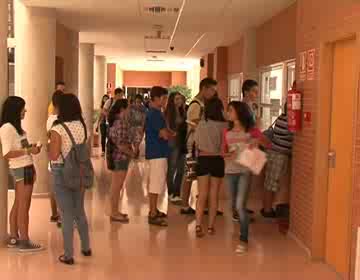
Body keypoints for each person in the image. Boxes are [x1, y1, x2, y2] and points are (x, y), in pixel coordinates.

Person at [48, 94, 91, 265]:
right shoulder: (81, 125)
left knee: (66, 214)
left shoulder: (57, 129)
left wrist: (47, 146)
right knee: (79, 210)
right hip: (79, 171)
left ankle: (68, 255)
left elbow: (54, 154)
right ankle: (86, 247)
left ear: (62, 108)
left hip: (61, 172)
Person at [0, 96, 43, 252]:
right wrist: (27, 150)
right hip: (22, 169)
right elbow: (7, 153)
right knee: (24, 206)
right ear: (15, 110)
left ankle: (14, 236)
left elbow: (24, 148)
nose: (25, 110)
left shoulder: (17, 128)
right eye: (23, 108)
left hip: (27, 167)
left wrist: (33, 149)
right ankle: (24, 240)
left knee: (19, 203)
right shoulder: (7, 128)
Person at [180, 77, 217, 215]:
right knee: (189, 174)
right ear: (204, 89)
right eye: (212, 90)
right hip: (194, 144)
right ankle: (184, 205)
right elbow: (195, 125)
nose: (213, 93)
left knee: (193, 173)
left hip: (198, 144)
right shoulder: (196, 105)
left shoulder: (202, 103)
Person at [223, 101, 256, 254]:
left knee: (240, 206)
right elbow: (223, 151)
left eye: (230, 110)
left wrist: (244, 153)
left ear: (239, 112)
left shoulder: (250, 132)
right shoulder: (227, 132)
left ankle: (243, 239)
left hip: (244, 171)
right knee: (232, 206)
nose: (227, 112)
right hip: (230, 171)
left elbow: (255, 154)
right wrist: (226, 155)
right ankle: (241, 230)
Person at [194, 97, 227, 237]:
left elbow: (197, 145)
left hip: (203, 160)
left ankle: (198, 225)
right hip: (218, 161)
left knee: (202, 195)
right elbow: (223, 149)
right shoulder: (224, 126)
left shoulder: (200, 124)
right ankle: (210, 227)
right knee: (214, 196)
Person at [145, 86, 174, 227]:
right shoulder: (154, 114)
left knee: (156, 183)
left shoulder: (156, 113)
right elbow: (163, 133)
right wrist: (169, 135)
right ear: (156, 98)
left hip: (158, 152)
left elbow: (164, 131)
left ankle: (154, 209)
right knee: (156, 184)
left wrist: (168, 133)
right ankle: (152, 214)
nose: (166, 100)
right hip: (158, 153)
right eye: (163, 98)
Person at [262, 102, 293, 218]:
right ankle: (267, 210)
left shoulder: (281, 118)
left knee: (269, 182)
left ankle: (266, 207)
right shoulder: (289, 121)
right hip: (278, 155)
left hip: (272, 152)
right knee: (271, 184)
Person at [107, 99, 134, 223]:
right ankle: (114, 212)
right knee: (117, 186)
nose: (130, 110)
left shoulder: (115, 122)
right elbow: (121, 145)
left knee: (115, 186)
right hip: (121, 158)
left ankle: (114, 211)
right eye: (128, 108)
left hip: (116, 157)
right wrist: (132, 154)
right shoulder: (121, 123)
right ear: (122, 109)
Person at [164, 92, 187, 203]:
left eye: (180, 99)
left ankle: (177, 193)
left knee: (181, 169)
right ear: (172, 100)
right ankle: (171, 193)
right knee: (172, 169)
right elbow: (167, 127)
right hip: (172, 143)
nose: (179, 101)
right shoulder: (169, 112)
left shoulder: (183, 111)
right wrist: (172, 133)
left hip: (182, 143)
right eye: (176, 99)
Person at [47, 90, 63, 226]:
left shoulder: (50, 119)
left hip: (52, 157)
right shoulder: (59, 120)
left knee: (53, 187)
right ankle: (61, 216)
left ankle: (54, 214)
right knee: (61, 188)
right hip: (59, 157)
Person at [128, 94, 146, 158]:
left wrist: (142, 128)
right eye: (137, 101)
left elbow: (144, 119)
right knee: (133, 142)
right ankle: (136, 152)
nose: (138, 103)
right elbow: (128, 117)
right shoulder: (131, 107)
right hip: (131, 127)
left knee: (137, 142)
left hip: (139, 127)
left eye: (140, 102)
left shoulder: (143, 109)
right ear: (134, 101)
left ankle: (135, 154)